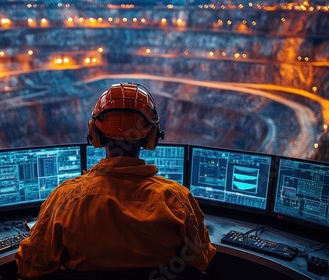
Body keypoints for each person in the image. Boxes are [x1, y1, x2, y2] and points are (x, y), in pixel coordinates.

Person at [16, 82, 216, 279]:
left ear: (95, 134)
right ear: (152, 137)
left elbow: (32, 267)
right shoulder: (178, 199)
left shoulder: (65, 199)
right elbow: (199, 260)